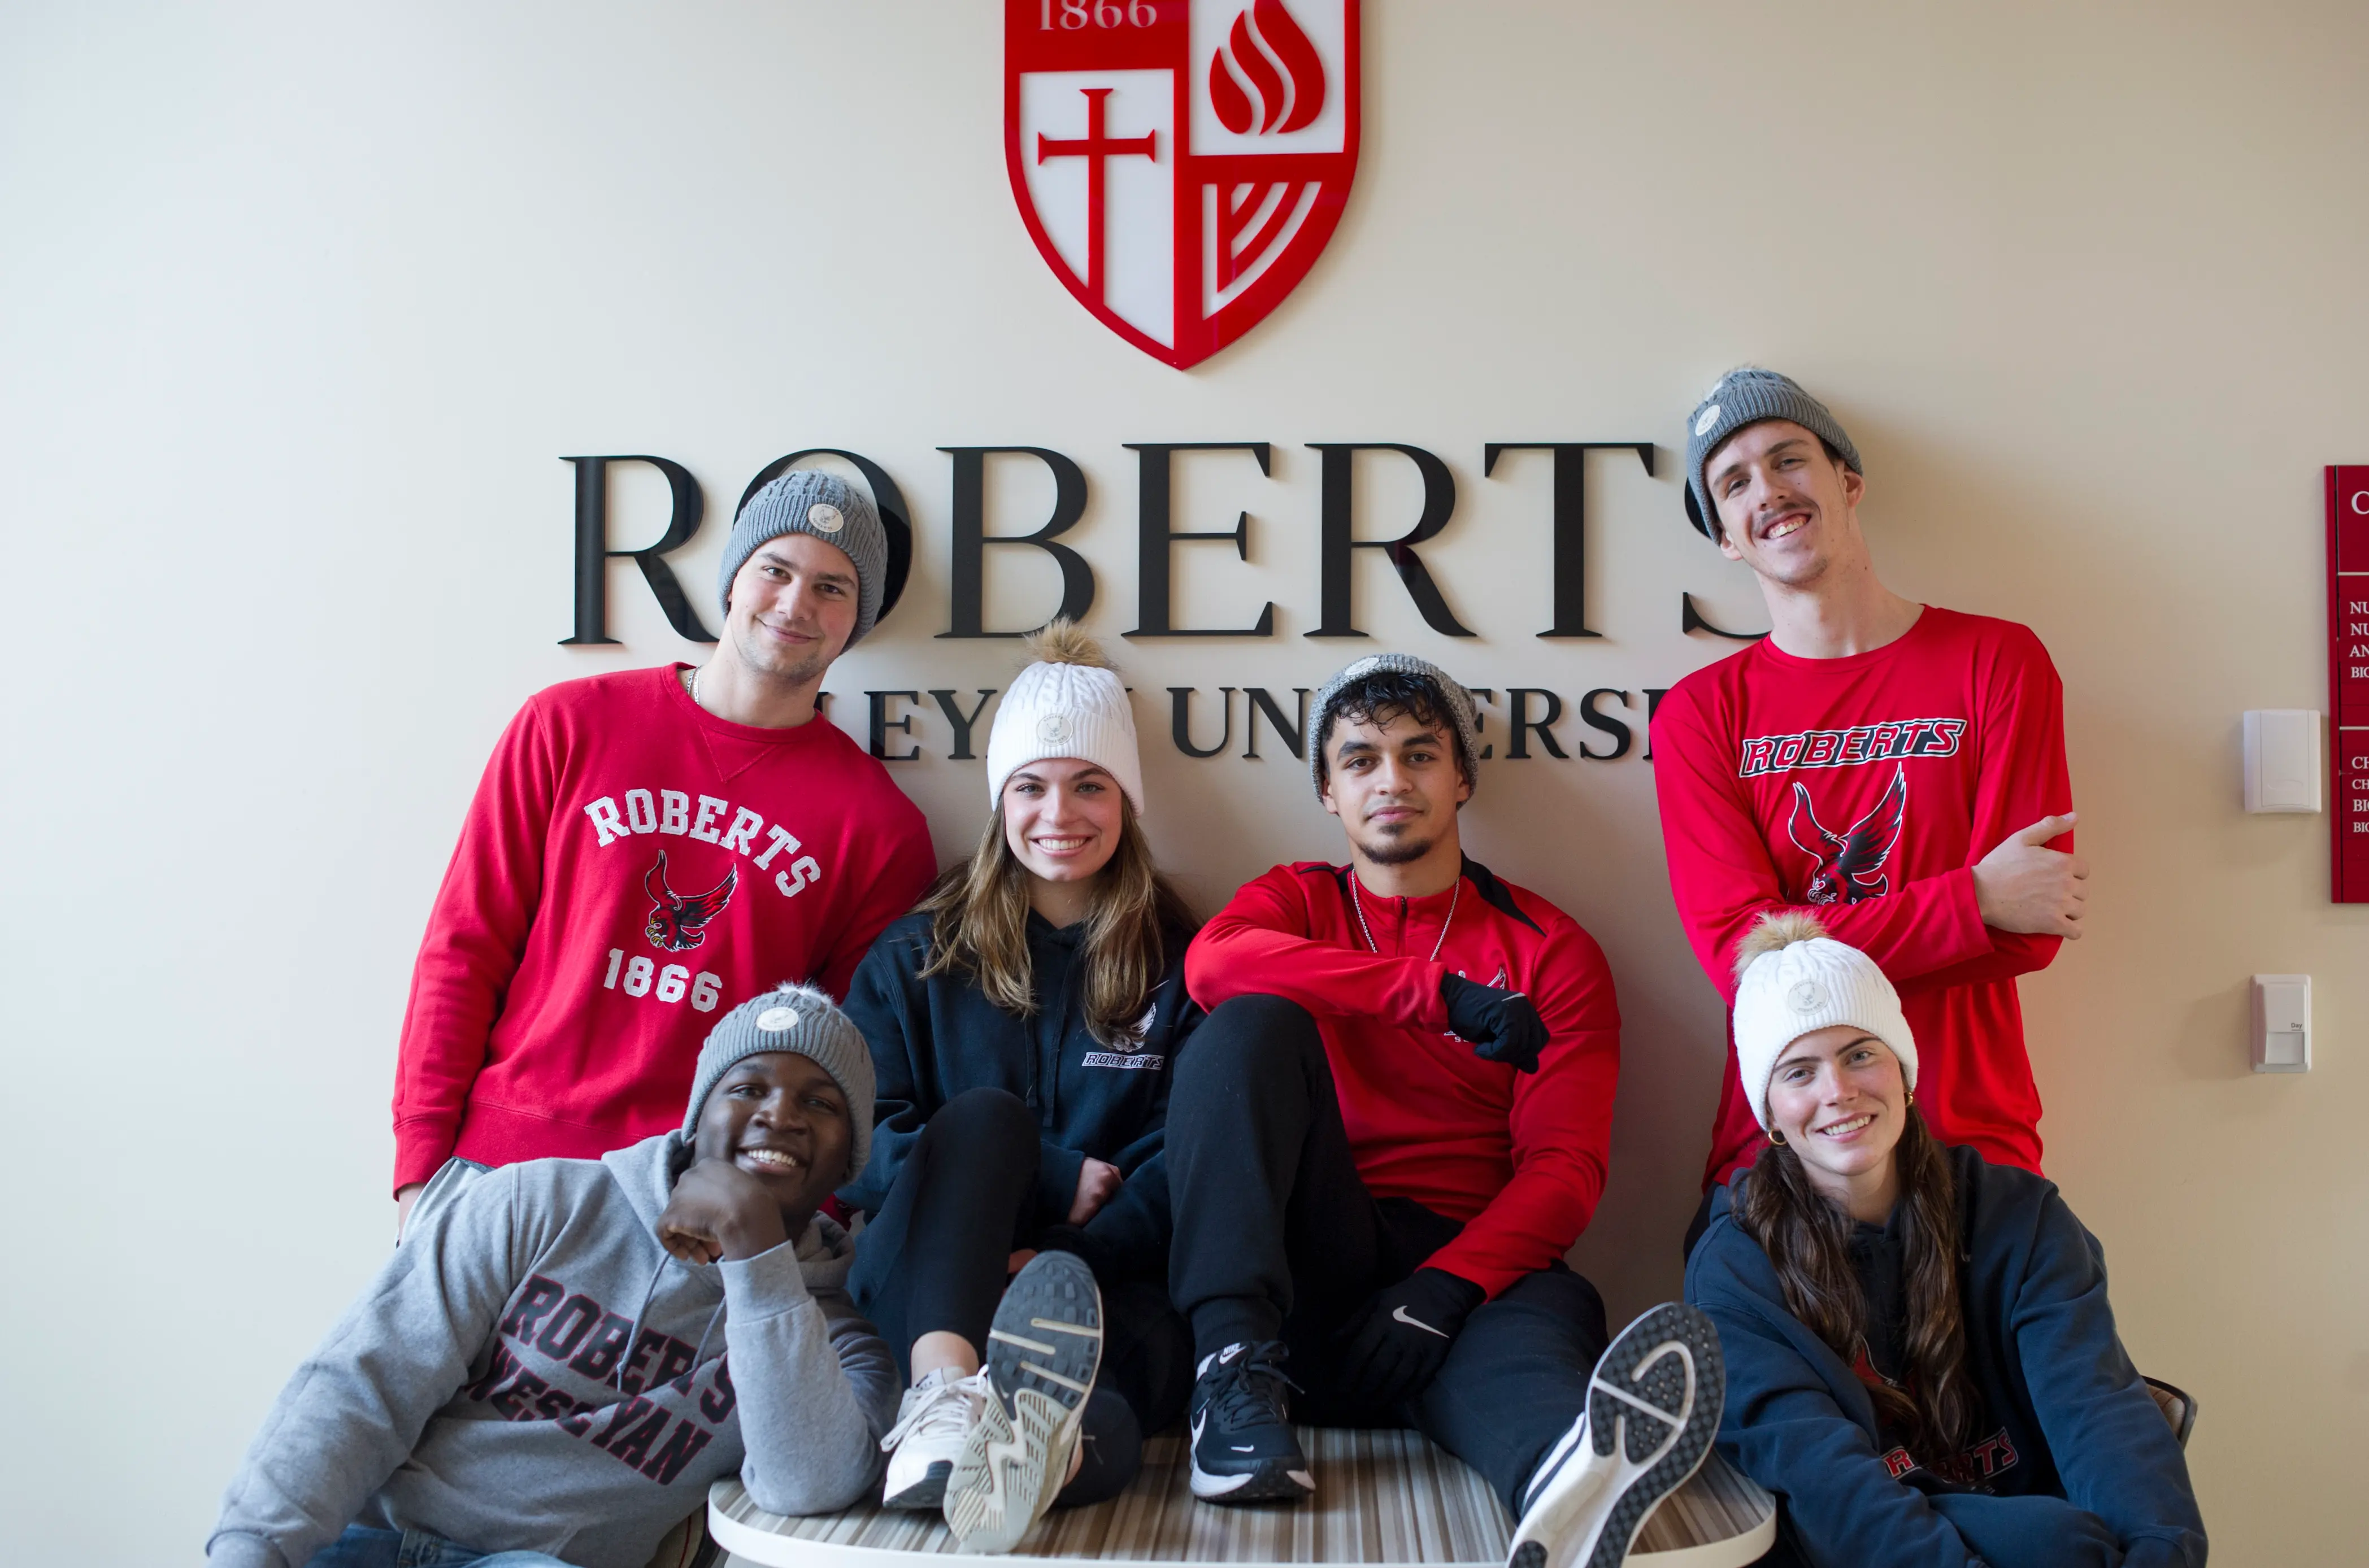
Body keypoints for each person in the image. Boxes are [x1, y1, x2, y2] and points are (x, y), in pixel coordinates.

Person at [1162, 653, 1724, 1568]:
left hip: (1463, 1275)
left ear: (1460, 777)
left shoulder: (1550, 950)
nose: (1392, 781)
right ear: (1326, 789)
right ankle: (1227, 1387)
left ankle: (1565, 1483)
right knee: (1247, 1027)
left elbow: (1564, 1169)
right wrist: (1438, 995)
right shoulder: (1294, 902)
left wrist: (1444, 1287)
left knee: (1538, 1339)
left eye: (1419, 755)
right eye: (1361, 760)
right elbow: (1212, 969)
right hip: (1304, 1265)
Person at [389, 469, 936, 1232]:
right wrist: (421, 1166)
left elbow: (847, 1065)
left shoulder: (878, 826)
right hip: (498, 1168)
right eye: (774, 570)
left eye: (832, 588)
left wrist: (804, 1225)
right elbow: (464, 945)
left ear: (858, 619)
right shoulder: (568, 725)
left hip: (695, 1200)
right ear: (732, 581)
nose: (795, 604)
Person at [207, 985, 901, 1568]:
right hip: (373, 1540)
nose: (780, 1113)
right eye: (748, 1087)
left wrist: (756, 1254)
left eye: (821, 1104)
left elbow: (806, 1487)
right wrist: (256, 1548)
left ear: (850, 1161)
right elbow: (366, 1382)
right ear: (695, 1122)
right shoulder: (534, 1202)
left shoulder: (840, 1341)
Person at [1652, 368, 2088, 1225]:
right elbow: (1740, 967)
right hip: (1779, 1149)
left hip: (1970, 1138)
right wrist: (1969, 899)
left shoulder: (1996, 662)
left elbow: (2031, 932)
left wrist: (1796, 942)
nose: (1769, 491)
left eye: (1788, 460)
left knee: (2052, 1358)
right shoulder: (1701, 715)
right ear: (1727, 540)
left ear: (1847, 483)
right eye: (1734, 482)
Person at [1685, 915, 2206, 1568]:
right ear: (1771, 1115)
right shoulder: (1735, 1266)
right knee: (2057, 1542)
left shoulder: (2018, 1216)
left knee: (2064, 1543)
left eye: (1859, 1054)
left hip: (2039, 1533)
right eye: (1798, 1072)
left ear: (1902, 1070)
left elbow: (2095, 1403)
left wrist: (2161, 1552)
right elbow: (1828, 1486)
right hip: (1860, 1550)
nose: (1837, 1091)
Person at [839, 623, 1197, 1523]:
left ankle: (1035, 1465)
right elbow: (854, 1141)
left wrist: (1062, 1262)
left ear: (1128, 799)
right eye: (1030, 787)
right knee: (989, 1116)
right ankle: (942, 1409)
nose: (1059, 814)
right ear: (1000, 798)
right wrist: (1045, 1174)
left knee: (1107, 1420)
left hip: (1093, 1303)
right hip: (926, 1286)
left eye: (1091, 786)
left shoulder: (1179, 960)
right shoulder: (915, 956)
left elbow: (1186, 1158)